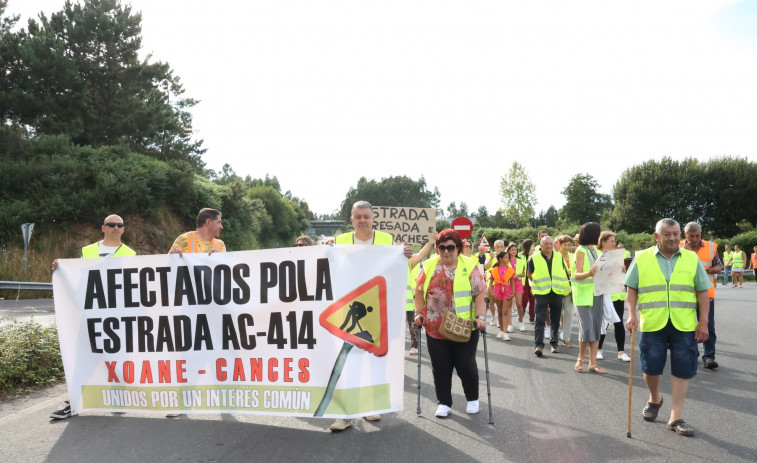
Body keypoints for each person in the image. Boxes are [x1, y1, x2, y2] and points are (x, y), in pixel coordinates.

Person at [330, 200, 413, 432]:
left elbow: (400, 273)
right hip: (348, 311)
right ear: (351, 220)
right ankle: (344, 414)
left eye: (367, 216)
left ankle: (369, 406)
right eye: (358, 217)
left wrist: (405, 255)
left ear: (373, 218)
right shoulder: (339, 242)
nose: (363, 220)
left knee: (376, 361)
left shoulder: (388, 241)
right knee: (349, 363)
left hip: (379, 311)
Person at [625, 218, 711, 437]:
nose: (672, 238)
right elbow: (631, 289)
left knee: (683, 369)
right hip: (653, 322)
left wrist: (703, 322)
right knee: (650, 368)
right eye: (667, 234)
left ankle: (676, 417)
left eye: (676, 234)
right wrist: (631, 314)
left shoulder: (691, 258)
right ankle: (655, 398)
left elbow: (702, 291)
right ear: (657, 236)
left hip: (684, 324)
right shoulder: (641, 258)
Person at [49, 214, 137, 420]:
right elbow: (77, 275)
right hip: (90, 313)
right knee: (82, 357)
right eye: (112, 225)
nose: (116, 227)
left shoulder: (131, 253)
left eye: (120, 225)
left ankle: (119, 397)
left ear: (124, 229)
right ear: (103, 228)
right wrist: (61, 269)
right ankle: (73, 402)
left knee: (118, 357)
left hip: (117, 315)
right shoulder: (87, 251)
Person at [413, 229, 486, 418]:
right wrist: (418, 313)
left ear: (458, 248)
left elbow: (480, 293)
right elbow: (419, 291)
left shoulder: (469, 265)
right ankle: (444, 402)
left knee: (465, 364)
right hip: (435, 328)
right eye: (442, 247)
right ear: (437, 249)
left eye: (451, 247)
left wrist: (481, 317)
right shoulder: (428, 265)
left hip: (464, 326)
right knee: (440, 366)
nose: (446, 251)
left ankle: (472, 399)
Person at [682, 222, 722, 370]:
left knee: (708, 326)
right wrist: (683, 252)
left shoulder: (711, 247)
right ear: (685, 235)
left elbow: (719, 266)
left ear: (701, 233)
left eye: (697, 236)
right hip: (684, 295)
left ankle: (709, 357)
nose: (694, 239)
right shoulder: (679, 247)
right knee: (688, 327)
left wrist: (708, 270)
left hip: (706, 294)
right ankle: (692, 354)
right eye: (691, 236)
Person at [571, 222, 605, 373]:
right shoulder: (581, 250)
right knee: (586, 329)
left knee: (596, 328)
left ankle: (593, 363)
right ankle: (580, 359)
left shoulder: (595, 251)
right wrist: (589, 274)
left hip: (596, 294)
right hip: (583, 295)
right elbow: (576, 274)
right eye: (598, 233)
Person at [527, 235, 569, 356]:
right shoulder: (534, 258)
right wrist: (536, 284)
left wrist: (566, 288)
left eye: (551, 243)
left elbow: (564, 272)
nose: (549, 246)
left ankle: (554, 343)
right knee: (539, 320)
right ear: (541, 245)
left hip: (557, 292)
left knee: (555, 320)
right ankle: (539, 345)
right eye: (546, 244)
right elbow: (529, 274)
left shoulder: (559, 256)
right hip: (541, 292)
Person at [595, 231, 631, 362]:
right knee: (602, 323)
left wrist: (624, 270)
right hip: (603, 294)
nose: (614, 243)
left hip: (617, 294)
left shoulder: (621, 255)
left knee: (618, 322)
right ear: (603, 242)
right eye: (611, 241)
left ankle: (621, 352)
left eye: (615, 241)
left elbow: (627, 272)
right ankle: (598, 350)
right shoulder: (597, 255)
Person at [555, 235, 576, 348]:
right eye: (565, 245)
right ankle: (554, 338)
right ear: (559, 244)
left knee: (568, 314)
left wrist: (572, 273)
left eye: (569, 245)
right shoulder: (555, 257)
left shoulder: (573, 256)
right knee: (556, 315)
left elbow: (578, 270)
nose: (567, 247)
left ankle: (566, 339)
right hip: (558, 290)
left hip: (570, 290)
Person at [491, 251, 515, 341]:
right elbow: (490, 283)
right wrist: (492, 292)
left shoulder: (510, 269)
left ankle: (505, 332)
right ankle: (501, 330)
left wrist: (512, 293)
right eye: (506, 257)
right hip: (497, 290)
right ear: (500, 259)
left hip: (507, 291)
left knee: (505, 311)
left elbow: (512, 282)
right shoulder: (494, 269)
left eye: (508, 257)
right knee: (500, 311)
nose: (507, 259)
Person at [485, 239, 506, 326]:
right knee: (491, 302)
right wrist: (492, 258)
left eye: (501, 246)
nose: (500, 248)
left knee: (500, 302)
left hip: (502, 283)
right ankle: (493, 316)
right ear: (494, 247)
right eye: (498, 247)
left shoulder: (505, 256)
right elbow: (486, 267)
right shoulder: (490, 255)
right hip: (491, 283)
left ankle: (499, 318)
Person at [508, 243, 527, 332]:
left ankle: (521, 320)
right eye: (512, 250)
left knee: (519, 304)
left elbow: (524, 274)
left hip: (518, 283)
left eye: (515, 250)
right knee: (508, 304)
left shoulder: (521, 261)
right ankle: (509, 324)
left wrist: (518, 274)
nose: (514, 251)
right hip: (508, 283)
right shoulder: (505, 260)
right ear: (508, 251)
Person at [521, 239, 536, 323]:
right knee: (524, 299)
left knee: (533, 298)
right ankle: (521, 315)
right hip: (524, 280)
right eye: (532, 245)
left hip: (532, 278)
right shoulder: (520, 255)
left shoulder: (535, 255)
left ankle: (532, 316)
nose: (533, 246)